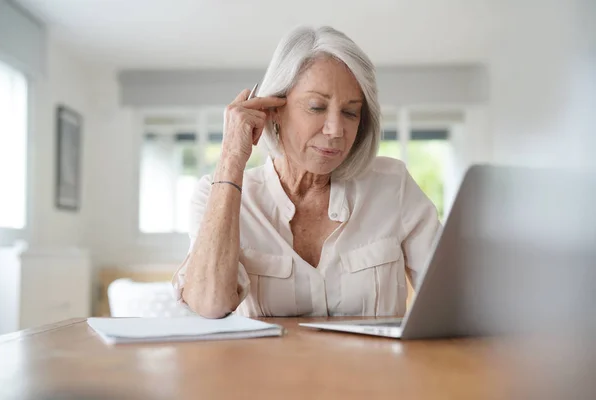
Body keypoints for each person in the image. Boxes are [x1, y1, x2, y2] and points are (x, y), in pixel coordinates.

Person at [172, 26, 441, 318]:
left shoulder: (393, 186)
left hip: (373, 366)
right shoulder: (216, 194)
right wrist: (231, 159)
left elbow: (452, 300)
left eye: (350, 112)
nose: (336, 130)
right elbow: (208, 304)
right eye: (316, 107)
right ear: (274, 109)